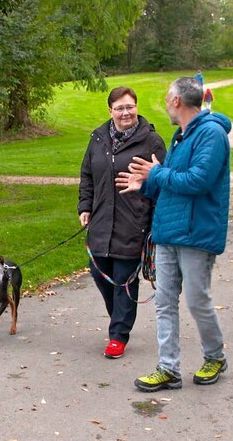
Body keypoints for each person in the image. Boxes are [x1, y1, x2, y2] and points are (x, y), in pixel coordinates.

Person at [115, 77, 232, 392]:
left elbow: (198, 181)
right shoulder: (181, 136)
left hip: (196, 233)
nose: (166, 103)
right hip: (168, 232)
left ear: (177, 100)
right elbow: (172, 182)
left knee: (197, 300)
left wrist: (156, 173)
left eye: (168, 98)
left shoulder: (211, 134)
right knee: (164, 302)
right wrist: (147, 184)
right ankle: (168, 368)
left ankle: (215, 357)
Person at [78, 86, 167, 359]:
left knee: (124, 279)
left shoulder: (151, 142)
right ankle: (118, 316)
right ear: (110, 111)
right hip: (101, 220)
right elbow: (87, 175)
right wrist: (85, 206)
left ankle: (118, 335)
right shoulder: (98, 138)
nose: (126, 112)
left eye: (130, 106)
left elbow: (162, 182)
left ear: (136, 107)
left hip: (133, 221)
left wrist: (155, 220)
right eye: (120, 108)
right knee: (99, 273)